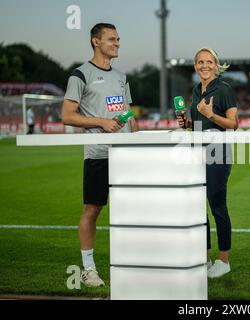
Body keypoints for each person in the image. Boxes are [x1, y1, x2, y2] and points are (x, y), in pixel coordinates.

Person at [61, 23, 139, 287]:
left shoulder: (121, 76)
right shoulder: (80, 75)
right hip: (99, 155)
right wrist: (102, 122)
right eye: (112, 39)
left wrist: (135, 136)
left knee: (130, 211)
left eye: (118, 39)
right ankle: (88, 268)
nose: (117, 43)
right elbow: (67, 116)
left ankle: (133, 262)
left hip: (127, 155)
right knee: (92, 209)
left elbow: (128, 113)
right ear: (96, 41)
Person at [177, 47, 238, 278]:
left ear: (216, 64)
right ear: (195, 66)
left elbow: (234, 124)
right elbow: (197, 125)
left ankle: (223, 261)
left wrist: (211, 115)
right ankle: (204, 258)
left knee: (217, 205)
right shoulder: (196, 90)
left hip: (218, 153)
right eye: (200, 62)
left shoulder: (224, 89)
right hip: (197, 153)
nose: (204, 66)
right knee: (197, 207)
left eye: (209, 62)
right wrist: (186, 123)